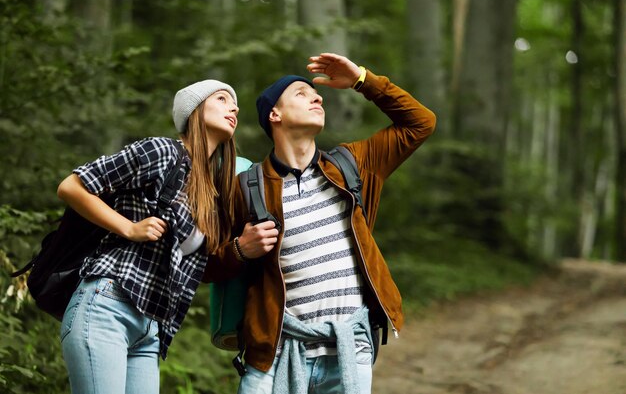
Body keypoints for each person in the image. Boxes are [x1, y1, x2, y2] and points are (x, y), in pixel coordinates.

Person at [205, 53, 436, 394]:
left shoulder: (351, 165)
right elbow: (205, 265)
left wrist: (361, 79)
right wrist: (241, 249)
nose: (317, 96)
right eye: (301, 93)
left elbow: (421, 122)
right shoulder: (247, 187)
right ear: (275, 114)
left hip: (348, 348)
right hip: (274, 349)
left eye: (315, 93)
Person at [57, 79, 247, 394]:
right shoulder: (161, 152)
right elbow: (72, 186)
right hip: (108, 305)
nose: (234, 108)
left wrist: (242, 248)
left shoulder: (209, 193)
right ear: (195, 111)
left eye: (235, 104)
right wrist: (128, 228)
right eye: (223, 99)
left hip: (150, 330)